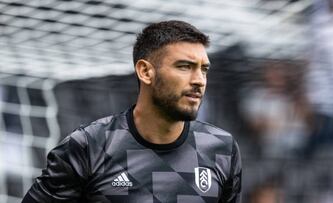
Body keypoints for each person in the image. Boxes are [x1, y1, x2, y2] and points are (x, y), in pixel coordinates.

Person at [22, 20, 242, 203]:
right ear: (145, 71)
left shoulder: (222, 148)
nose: (199, 80)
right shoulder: (89, 146)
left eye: (204, 69)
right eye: (184, 66)